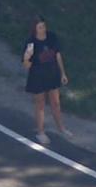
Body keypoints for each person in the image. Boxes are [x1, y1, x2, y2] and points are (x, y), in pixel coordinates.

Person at [22, 16, 71, 145]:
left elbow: (57, 55)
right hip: (38, 76)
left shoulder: (52, 37)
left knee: (56, 102)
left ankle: (61, 128)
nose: (43, 29)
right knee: (40, 105)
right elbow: (27, 66)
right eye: (40, 27)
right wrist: (27, 57)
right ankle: (41, 132)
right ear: (35, 29)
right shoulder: (31, 43)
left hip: (52, 74)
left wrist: (63, 73)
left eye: (44, 26)